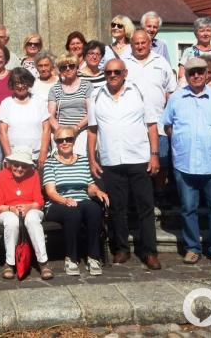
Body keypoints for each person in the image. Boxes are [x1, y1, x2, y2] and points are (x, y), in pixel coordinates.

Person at [87, 58, 162, 270]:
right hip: (111, 160)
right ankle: (121, 248)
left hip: (138, 158)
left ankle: (149, 252)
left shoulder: (138, 93)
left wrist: (154, 154)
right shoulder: (96, 96)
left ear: (125, 73)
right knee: (117, 208)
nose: (112, 76)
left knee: (145, 208)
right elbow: (93, 130)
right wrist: (92, 159)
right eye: (108, 72)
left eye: (116, 72)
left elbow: (151, 126)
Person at [161, 57, 211, 266]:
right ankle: (192, 247)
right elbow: (168, 126)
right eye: (192, 73)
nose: (197, 76)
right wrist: (183, 143)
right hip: (185, 163)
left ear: (208, 73)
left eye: (201, 71)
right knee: (188, 207)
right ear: (187, 76)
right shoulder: (176, 98)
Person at [43, 126, 109, 276]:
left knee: (94, 210)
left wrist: (98, 191)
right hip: (57, 203)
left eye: (69, 139)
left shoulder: (83, 160)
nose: (65, 142)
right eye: (60, 140)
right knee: (72, 213)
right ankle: (71, 257)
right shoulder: (50, 163)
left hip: (81, 199)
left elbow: (89, 186)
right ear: (56, 143)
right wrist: (65, 200)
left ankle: (93, 256)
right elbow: (51, 192)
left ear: (74, 141)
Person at [122, 29, 177, 208]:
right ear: (131, 45)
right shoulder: (124, 62)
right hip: (132, 123)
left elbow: (171, 90)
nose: (139, 46)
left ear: (149, 43)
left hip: (159, 121)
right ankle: (136, 196)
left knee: (161, 160)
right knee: (135, 162)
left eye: (143, 43)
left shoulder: (160, 62)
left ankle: (160, 192)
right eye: (136, 43)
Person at [0, 146, 53, 280]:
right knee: (11, 221)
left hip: (31, 209)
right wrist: (11, 209)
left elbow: (39, 201)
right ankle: (9, 263)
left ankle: (43, 262)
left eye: (24, 166)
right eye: (16, 165)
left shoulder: (34, 174)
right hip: (8, 210)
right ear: (10, 163)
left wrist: (29, 206)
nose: (19, 169)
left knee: (32, 219)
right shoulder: (1, 176)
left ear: (28, 166)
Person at [0, 67, 51, 169]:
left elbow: (47, 129)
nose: (21, 86)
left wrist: (43, 154)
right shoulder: (6, 103)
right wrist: (9, 157)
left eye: (24, 82)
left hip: (36, 156)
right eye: (17, 83)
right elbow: (2, 133)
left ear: (29, 83)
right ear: (12, 85)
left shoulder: (38, 101)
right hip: (15, 158)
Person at [48, 53, 92, 156]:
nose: (68, 69)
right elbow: (50, 115)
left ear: (77, 67)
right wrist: (61, 131)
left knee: (79, 159)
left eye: (71, 66)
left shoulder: (87, 86)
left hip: (81, 131)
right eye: (64, 67)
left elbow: (91, 112)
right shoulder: (55, 89)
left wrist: (76, 128)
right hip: (60, 132)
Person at [178, 17, 211, 81]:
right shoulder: (189, 52)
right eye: (202, 31)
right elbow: (181, 75)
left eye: (208, 30)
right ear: (195, 33)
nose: (205, 34)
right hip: (195, 89)